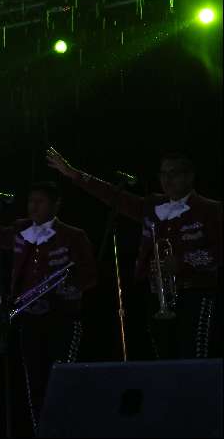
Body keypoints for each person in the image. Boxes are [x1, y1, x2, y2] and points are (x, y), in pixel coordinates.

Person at [0, 178, 97, 435]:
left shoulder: (73, 235)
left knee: (62, 380)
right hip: (29, 318)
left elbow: (89, 276)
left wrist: (66, 286)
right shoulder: (19, 231)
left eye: (40, 202)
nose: (33, 207)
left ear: (56, 205)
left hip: (63, 319)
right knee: (34, 383)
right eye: (30, 201)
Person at [47, 148, 222, 359]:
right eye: (163, 174)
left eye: (173, 173)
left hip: (195, 293)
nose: (167, 180)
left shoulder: (210, 209)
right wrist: (75, 174)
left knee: (194, 356)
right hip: (156, 295)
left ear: (189, 176)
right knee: (163, 358)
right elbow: (112, 195)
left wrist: (183, 262)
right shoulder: (151, 205)